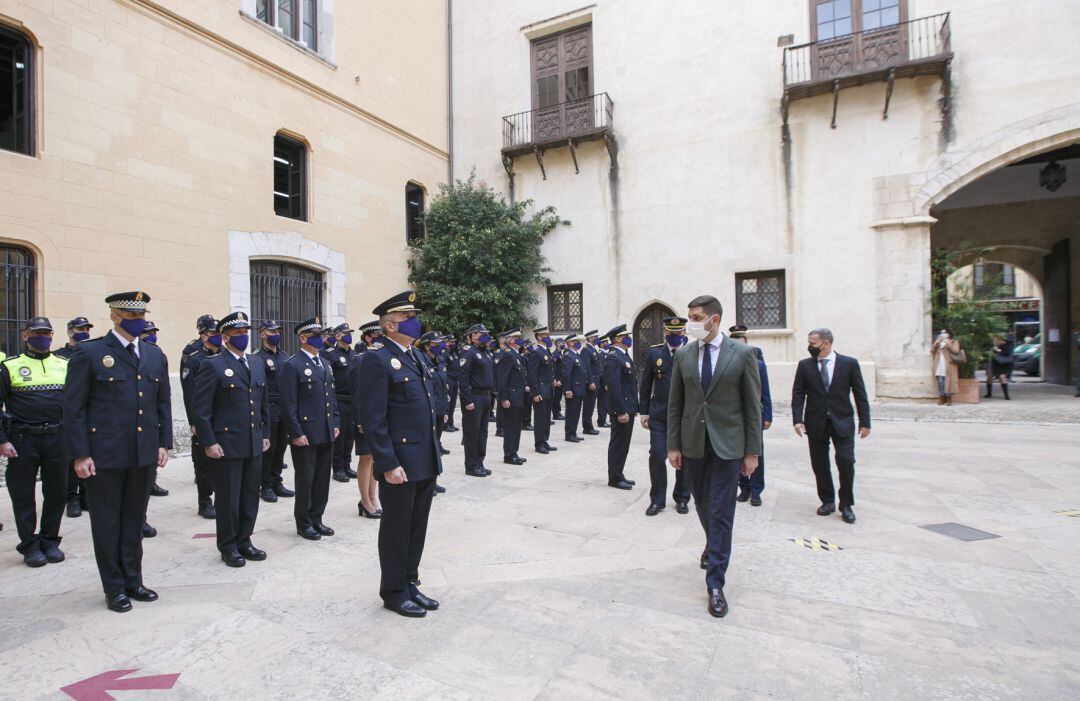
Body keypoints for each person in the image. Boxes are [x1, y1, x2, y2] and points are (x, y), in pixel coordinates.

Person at [64, 291, 173, 612]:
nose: (138, 321)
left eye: (141, 315)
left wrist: (163, 443)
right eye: (131, 316)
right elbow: (74, 409)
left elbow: (162, 403)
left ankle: (133, 580)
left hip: (141, 453)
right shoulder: (90, 352)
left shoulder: (154, 355)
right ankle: (114, 587)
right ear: (114, 316)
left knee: (134, 519)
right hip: (105, 454)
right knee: (108, 522)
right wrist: (80, 454)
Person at [667, 295, 761, 618]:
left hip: (729, 446)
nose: (690, 322)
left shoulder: (743, 354)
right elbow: (676, 404)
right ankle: (714, 542)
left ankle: (715, 583)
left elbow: (752, 406)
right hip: (694, 444)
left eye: (695, 317)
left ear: (714, 320)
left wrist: (752, 452)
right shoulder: (684, 354)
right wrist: (673, 445)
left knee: (722, 510)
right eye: (689, 316)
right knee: (702, 504)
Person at [353, 290, 442, 618]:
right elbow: (373, 419)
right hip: (400, 463)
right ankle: (393, 590)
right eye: (408, 317)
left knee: (417, 525)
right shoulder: (376, 359)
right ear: (390, 325)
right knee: (397, 527)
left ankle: (410, 582)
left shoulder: (415, 356)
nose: (414, 321)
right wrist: (388, 464)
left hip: (424, 458)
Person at [192, 312, 270, 567]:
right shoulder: (212, 365)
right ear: (224, 338)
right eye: (237, 334)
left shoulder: (256, 363)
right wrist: (209, 442)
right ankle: (228, 545)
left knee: (249, 495)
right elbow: (201, 409)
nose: (243, 337)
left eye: (245, 332)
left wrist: (265, 433)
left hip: (252, 440)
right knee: (228, 498)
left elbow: (262, 403)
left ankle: (245, 539)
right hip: (226, 444)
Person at [0, 317, 69, 567]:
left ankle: (50, 540)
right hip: (22, 439)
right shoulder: (9, 366)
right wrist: (2, 440)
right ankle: (29, 544)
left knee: (57, 492)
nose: (44, 337)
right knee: (23, 495)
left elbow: (76, 403)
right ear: (24, 336)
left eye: (47, 333)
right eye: (37, 332)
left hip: (58, 438)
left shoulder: (64, 364)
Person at [791, 328, 871, 524]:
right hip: (816, 421)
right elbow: (798, 394)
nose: (809, 347)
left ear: (825, 344)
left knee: (846, 461)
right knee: (820, 464)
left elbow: (860, 393)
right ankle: (827, 500)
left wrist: (865, 421)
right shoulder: (805, 366)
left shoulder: (849, 364)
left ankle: (846, 504)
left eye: (813, 343)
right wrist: (797, 419)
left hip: (842, 421)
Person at [279, 317, 340, 541]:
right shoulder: (292, 365)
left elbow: (330, 397)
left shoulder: (324, 363)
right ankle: (304, 522)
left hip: (325, 430)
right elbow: (288, 403)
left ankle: (317, 517)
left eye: (321, 334)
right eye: (315, 335)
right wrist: (296, 433)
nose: (320, 338)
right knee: (306, 478)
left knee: (323, 478)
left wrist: (335, 422)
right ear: (303, 338)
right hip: (305, 433)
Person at [638, 316, 692, 515]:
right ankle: (657, 499)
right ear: (665, 333)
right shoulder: (655, 353)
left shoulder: (693, 352)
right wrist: (643, 411)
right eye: (671, 333)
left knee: (684, 457)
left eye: (678, 334)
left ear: (684, 333)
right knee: (658, 454)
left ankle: (682, 498)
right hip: (660, 414)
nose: (674, 337)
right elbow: (645, 384)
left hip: (686, 415)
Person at [180, 315, 220, 520]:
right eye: (214, 333)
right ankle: (205, 501)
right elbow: (189, 393)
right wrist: (193, 422)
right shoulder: (194, 356)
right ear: (203, 335)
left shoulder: (224, 354)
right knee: (203, 463)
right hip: (203, 416)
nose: (218, 336)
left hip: (222, 417)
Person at [251, 320, 294, 502]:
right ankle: (265, 485)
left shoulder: (284, 356)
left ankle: (277, 482)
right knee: (268, 449)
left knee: (280, 449)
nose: (276, 334)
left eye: (277, 330)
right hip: (268, 408)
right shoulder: (257, 357)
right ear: (262, 334)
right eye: (271, 331)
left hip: (284, 408)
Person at [730, 325, 772, 507]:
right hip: (734, 416)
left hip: (753, 416)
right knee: (737, 452)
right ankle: (744, 488)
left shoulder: (758, 365)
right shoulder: (728, 366)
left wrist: (767, 415)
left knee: (756, 452)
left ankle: (756, 490)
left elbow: (765, 393)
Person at [56, 316, 93, 519]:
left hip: (89, 411)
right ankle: (71, 498)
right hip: (69, 411)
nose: (84, 332)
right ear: (70, 331)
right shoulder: (59, 356)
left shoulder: (92, 353)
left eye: (86, 328)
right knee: (73, 458)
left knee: (89, 453)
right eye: (80, 328)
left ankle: (87, 495)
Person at [602, 324, 637, 490]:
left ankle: (619, 472)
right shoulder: (613, 357)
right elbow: (614, 387)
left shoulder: (623, 355)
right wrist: (620, 411)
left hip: (628, 406)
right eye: (625, 336)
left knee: (624, 443)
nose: (628, 338)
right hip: (621, 409)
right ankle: (614, 477)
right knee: (618, 443)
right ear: (617, 338)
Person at [457, 323, 494, 477]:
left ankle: (480, 462)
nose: (484, 335)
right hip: (474, 397)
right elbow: (463, 377)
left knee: (483, 432)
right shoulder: (468, 352)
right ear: (472, 336)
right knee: (472, 433)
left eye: (485, 333)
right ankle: (471, 466)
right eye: (480, 333)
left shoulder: (486, 352)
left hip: (486, 397)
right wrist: (467, 400)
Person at [324, 323, 359, 483]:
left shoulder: (355, 354)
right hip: (339, 399)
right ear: (337, 336)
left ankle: (347, 464)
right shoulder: (330, 354)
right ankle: (337, 468)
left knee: (350, 435)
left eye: (350, 332)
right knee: (340, 435)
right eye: (346, 333)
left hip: (353, 399)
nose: (349, 335)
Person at [495, 329, 528, 465]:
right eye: (518, 337)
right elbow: (502, 379)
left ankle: (514, 452)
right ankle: (509, 455)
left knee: (516, 426)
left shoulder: (516, 355)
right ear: (511, 341)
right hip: (511, 397)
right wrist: (503, 398)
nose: (521, 339)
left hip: (518, 396)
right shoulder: (508, 355)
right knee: (510, 427)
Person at [419, 331, 452, 457]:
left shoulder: (440, 360)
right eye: (436, 344)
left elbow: (443, 382)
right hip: (429, 403)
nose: (440, 346)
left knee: (438, 429)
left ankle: (437, 445)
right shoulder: (421, 360)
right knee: (428, 433)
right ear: (427, 346)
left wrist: (446, 408)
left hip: (440, 401)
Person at [527, 326, 557, 454]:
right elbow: (532, 375)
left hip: (548, 390)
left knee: (546, 418)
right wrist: (535, 392)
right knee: (540, 418)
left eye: (548, 335)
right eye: (545, 335)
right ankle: (539, 443)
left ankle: (545, 440)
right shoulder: (536, 352)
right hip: (540, 391)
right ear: (539, 337)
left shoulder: (546, 351)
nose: (548, 337)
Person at [560, 334, 587, 443]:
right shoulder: (568, 355)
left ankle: (573, 433)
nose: (577, 342)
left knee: (576, 412)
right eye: (575, 341)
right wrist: (567, 389)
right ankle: (569, 434)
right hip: (573, 389)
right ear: (569, 343)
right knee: (571, 413)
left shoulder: (576, 355)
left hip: (579, 388)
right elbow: (566, 374)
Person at [931, 328, 962, 405]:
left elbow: (956, 351)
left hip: (948, 364)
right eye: (941, 333)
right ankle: (942, 397)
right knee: (940, 380)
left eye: (945, 333)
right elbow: (932, 351)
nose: (943, 334)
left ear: (949, 334)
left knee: (948, 381)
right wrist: (935, 343)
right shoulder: (938, 342)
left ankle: (948, 398)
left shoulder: (954, 341)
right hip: (938, 363)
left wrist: (948, 343)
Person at [579, 330, 601, 436]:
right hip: (590, 384)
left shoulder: (592, 349)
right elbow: (587, 368)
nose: (597, 339)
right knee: (588, 405)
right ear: (589, 339)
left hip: (596, 382)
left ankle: (589, 426)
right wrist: (590, 382)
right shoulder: (586, 350)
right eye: (594, 337)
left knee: (591, 405)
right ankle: (587, 427)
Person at [985, 334, 1014, 399]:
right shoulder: (991, 345)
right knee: (989, 377)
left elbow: (1006, 353)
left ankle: (1006, 395)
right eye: (994, 340)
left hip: (1001, 363)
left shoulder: (1005, 345)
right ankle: (989, 393)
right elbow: (988, 353)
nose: (995, 341)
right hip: (993, 363)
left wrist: (997, 350)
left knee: (1002, 377)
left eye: (996, 340)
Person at [443, 334, 460, 433]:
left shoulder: (454, 353)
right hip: (449, 380)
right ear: (447, 342)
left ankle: (451, 423)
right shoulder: (444, 354)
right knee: (448, 403)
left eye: (454, 341)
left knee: (453, 403)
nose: (453, 343)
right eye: (451, 342)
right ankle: (445, 425)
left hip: (455, 380)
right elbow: (444, 369)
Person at [551, 337, 565, 420]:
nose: (563, 344)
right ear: (557, 345)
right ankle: (556, 414)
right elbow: (555, 368)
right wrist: (556, 380)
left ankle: (558, 412)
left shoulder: (560, 354)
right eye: (561, 343)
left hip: (561, 379)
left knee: (558, 397)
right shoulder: (555, 354)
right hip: (558, 380)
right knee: (556, 398)